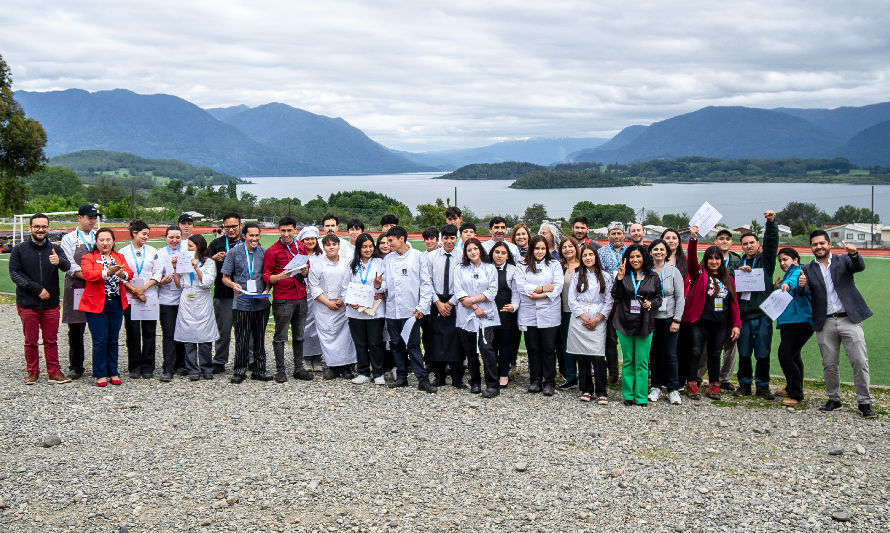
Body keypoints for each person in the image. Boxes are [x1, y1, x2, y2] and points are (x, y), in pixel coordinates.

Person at [798, 231, 876, 418]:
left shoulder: (843, 261)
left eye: (822, 243)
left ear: (829, 244)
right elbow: (803, 293)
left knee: (859, 361)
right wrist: (801, 285)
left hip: (849, 319)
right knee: (829, 364)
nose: (819, 247)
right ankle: (834, 399)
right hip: (825, 322)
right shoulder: (808, 269)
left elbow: (859, 266)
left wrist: (854, 253)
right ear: (811, 247)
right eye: (815, 244)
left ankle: (864, 402)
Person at [9, 213, 72, 384]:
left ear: (48, 229)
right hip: (27, 303)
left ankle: (54, 372)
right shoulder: (19, 249)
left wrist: (59, 261)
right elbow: (15, 273)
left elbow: (67, 266)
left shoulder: (56, 249)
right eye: (37, 226)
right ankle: (33, 372)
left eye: (44, 226)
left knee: (51, 340)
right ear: (30, 228)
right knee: (31, 341)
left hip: (51, 304)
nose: (40, 229)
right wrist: (36, 289)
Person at [683, 228, 742, 400]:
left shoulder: (728, 279)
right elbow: (692, 259)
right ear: (706, 260)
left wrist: (736, 324)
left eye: (717, 258)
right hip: (700, 321)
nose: (714, 261)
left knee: (715, 353)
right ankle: (692, 384)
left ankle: (714, 386)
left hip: (720, 323)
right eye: (711, 258)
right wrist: (693, 239)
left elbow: (734, 304)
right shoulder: (699, 273)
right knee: (695, 351)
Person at [380, 226, 436, 392]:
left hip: (411, 310)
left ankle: (422, 379)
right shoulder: (388, 259)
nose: (388, 244)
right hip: (392, 310)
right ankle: (402, 376)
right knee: (396, 344)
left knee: (413, 345)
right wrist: (378, 286)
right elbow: (385, 283)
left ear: (401, 239)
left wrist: (422, 306)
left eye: (391, 240)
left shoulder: (418, 257)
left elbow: (426, 284)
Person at [731, 210, 779, 399]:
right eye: (745, 244)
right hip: (744, 316)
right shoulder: (736, 265)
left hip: (762, 315)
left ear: (758, 245)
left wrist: (771, 223)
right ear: (741, 246)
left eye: (752, 242)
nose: (749, 246)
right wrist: (738, 273)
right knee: (743, 353)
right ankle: (744, 385)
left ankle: (762, 386)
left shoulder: (765, 261)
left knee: (762, 353)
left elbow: (772, 242)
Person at [78, 228, 133, 387]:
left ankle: (113, 371)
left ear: (113, 242)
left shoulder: (119, 256)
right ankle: (100, 373)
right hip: (96, 304)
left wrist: (122, 274)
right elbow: (88, 275)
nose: (105, 243)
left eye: (108, 239)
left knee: (113, 340)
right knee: (100, 340)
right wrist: (107, 272)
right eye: (101, 240)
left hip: (115, 303)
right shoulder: (88, 257)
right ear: (96, 242)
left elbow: (129, 273)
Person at [263, 216, 314, 382]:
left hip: (301, 296)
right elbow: (266, 276)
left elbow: (306, 269)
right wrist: (279, 277)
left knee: (299, 335)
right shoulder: (272, 251)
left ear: (295, 231)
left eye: (289, 230)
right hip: (283, 298)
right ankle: (280, 370)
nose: (286, 234)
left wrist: (305, 272)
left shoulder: (301, 247)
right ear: (279, 230)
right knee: (280, 336)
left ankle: (298, 368)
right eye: (283, 231)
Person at [221, 222, 272, 383]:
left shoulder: (264, 253)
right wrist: (233, 285)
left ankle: (259, 370)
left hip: (261, 302)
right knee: (242, 338)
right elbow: (225, 277)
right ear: (244, 236)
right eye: (251, 235)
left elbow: (269, 277)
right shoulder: (234, 253)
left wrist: (267, 290)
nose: (254, 238)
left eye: (257, 235)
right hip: (242, 302)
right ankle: (240, 370)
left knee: (259, 338)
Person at [612, 245, 662, 406]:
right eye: (632, 257)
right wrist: (619, 279)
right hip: (624, 321)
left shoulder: (653, 277)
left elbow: (659, 298)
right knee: (628, 360)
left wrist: (651, 303)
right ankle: (628, 395)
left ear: (644, 258)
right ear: (627, 259)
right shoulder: (623, 275)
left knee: (641, 361)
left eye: (638, 256)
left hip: (645, 323)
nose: (635, 260)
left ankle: (641, 396)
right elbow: (616, 295)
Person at [454, 238, 501, 398]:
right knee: (470, 350)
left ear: (480, 250)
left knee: (486, 349)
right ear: (465, 253)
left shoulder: (490, 268)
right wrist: (474, 307)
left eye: (475, 248)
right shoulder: (460, 269)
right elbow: (459, 291)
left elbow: (492, 292)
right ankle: (475, 381)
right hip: (466, 314)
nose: (473, 252)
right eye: (469, 250)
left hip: (486, 315)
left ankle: (493, 385)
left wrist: (473, 301)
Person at [566, 246, 613, 404]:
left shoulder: (605, 276)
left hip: (598, 317)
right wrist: (584, 317)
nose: (588, 258)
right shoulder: (577, 275)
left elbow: (609, 300)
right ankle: (586, 388)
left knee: (598, 356)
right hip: (580, 317)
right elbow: (572, 299)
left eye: (590, 254)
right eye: (584, 255)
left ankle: (601, 390)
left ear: (596, 256)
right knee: (582, 356)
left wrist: (597, 319)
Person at [518, 235, 563, 396]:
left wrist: (540, 294)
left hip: (549, 311)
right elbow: (521, 286)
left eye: (543, 248)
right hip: (529, 312)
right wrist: (543, 288)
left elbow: (557, 286)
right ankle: (535, 380)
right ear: (531, 249)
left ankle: (549, 382)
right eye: (537, 248)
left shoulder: (554, 265)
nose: (540, 251)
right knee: (533, 348)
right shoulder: (522, 265)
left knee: (549, 349)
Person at [309, 234, 357, 379]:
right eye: (328, 245)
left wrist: (343, 299)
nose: (331, 247)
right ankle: (332, 366)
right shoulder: (317, 266)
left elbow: (351, 283)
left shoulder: (348, 264)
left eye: (334, 244)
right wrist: (328, 302)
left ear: (338, 246)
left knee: (346, 338)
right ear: (323, 248)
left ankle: (347, 367)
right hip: (324, 307)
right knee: (328, 337)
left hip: (343, 306)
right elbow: (314, 287)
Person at [342, 233, 387, 385]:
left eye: (370, 246)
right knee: (360, 342)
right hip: (355, 312)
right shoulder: (352, 265)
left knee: (375, 342)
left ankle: (378, 372)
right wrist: (349, 301)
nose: (368, 249)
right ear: (358, 248)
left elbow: (386, 285)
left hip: (374, 311)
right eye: (364, 247)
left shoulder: (380, 263)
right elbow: (344, 288)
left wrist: (378, 287)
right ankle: (363, 372)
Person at [59, 204, 98, 379]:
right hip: (77, 286)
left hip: (97, 287)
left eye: (94, 218)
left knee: (99, 328)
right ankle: (76, 366)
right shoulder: (69, 239)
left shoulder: (99, 236)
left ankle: (100, 366)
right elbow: (68, 263)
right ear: (79, 218)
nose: (92, 221)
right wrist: (88, 276)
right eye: (89, 217)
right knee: (76, 329)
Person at [173, 234, 219, 381]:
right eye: (187, 246)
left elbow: (206, 283)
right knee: (188, 336)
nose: (188, 249)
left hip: (202, 299)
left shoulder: (209, 263)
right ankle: (192, 368)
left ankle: (206, 368)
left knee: (205, 338)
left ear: (199, 247)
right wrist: (175, 268)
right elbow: (178, 284)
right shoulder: (183, 260)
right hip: (187, 298)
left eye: (191, 246)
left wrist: (195, 267)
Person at [120, 219, 160, 379]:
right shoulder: (123, 252)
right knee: (133, 332)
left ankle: (148, 366)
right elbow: (121, 275)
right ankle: (135, 366)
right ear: (134, 233)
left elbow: (157, 273)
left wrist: (143, 289)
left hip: (149, 296)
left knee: (150, 332)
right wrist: (135, 291)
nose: (146, 237)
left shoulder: (152, 252)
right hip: (130, 298)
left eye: (148, 235)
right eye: (144, 234)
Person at [773, 248, 813, 407]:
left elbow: (792, 282)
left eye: (785, 259)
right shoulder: (788, 274)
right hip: (789, 321)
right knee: (794, 356)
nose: (782, 263)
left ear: (795, 259)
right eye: (780, 261)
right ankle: (792, 387)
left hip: (800, 321)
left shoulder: (799, 271)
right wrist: (779, 286)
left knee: (785, 354)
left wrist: (785, 285)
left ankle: (796, 394)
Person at [648, 239, 685, 405]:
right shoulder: (647, 271)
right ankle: (655, 386)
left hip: (670, 319)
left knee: (670, 354)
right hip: (651, 320)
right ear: (650, 252)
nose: (658, 252)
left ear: (666, 252)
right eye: (655, 249)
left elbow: (680, 297)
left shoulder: (674, 271)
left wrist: (677, 319)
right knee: (654, 355)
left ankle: (673, 389)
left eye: (662, 249)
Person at [426, 225, 463, 387]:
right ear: (441, 239)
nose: (449, 241)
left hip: (457, 300)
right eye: (446, 238)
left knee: (457, 339)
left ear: (457, 238)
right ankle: (439, 376)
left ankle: (457, 378)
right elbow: (427, 281)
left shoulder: (462, 256)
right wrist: (438, 302)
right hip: (437, 300)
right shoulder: (432, 257)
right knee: (437, 339)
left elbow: (464, 282)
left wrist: (452, 302)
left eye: (452, 238)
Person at [207, 212, 243, 373]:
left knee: (244, 329)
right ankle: (220, 360)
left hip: (243, 293)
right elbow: (203, 263)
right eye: (227, 227)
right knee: (224, 330)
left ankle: (246, 360)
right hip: (223, 293)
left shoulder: (247, 242)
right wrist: (213, 258)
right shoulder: (216, 243)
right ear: (223, 227)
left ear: (240, 226)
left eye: (234, 226)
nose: (231, 230)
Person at [153, 225, 186, 382]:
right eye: (171, 237)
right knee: (169, 334)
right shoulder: (159, 253)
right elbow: (154, 276)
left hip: (184, 299)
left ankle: (182, 364)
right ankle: (168, 368)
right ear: (165, 238)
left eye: (177, 237)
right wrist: (160, 281)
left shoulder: (186, 253)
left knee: (183, 332)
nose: (174, 240)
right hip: (166, 300)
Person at [597, 221, 627, 384]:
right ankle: (613, 372)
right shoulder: (601, 252)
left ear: (624, 235)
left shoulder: (630, 252)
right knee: (610, 338)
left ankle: (631, 371)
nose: (616, 236)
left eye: (619, 233)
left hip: (627, 301)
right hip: (608, 300)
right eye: (613, 233)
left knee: (628, 338)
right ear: (608, 235)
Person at [489, 241, 521, 388]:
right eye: (497, 252)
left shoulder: (514, 270)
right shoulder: (486, 268)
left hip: (506, 312)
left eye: (503, 253)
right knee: (491, 344)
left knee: (506, 345)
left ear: (508, 256)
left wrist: (513, 306)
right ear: (492, 254)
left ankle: (503, 374)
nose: (499, 255)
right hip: (489, 312)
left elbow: (516, 292)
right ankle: (492, 373)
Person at [298, 226, 325, 372]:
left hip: (320, 296)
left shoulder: (322, 256)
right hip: (303, 294)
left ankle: (318, 357)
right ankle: (307, 357)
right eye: (307, 239)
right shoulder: (299, 256)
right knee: (306, 326)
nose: (310, 241)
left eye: (312, 239)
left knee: (320, 325)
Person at [558, 236, 582, 388]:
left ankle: (584, 377)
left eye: (570, 246)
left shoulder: (584, 265)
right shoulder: (559, 267)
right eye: (564, 247)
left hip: (580, 312)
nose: (567, 249)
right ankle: (571, 376)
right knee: (567, 346)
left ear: (576, 248)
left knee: (581, 345)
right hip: (564, 312)